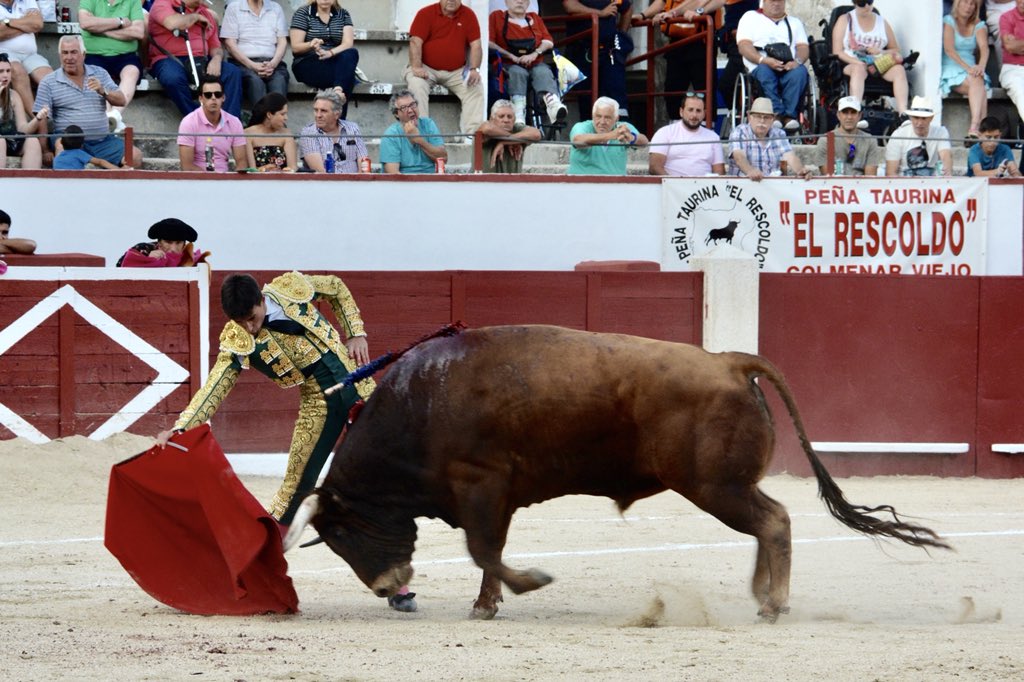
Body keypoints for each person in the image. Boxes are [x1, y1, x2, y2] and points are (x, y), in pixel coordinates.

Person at [154, 271, 419, 613]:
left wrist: (356, 333)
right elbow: (214, 388)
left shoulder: (291, 289)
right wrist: (179, 430)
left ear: (262, 301)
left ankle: (398, 583)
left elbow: (336, 288)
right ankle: (252, 575)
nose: (249, 328)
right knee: (294, 492)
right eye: (240, 322)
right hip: (319, 406)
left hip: (363, 393)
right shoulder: (237, 339)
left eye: (252, 318)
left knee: (384, 486)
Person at [33, 35, 143, 169]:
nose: (69, 58)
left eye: (74, 52)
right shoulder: (49, 81)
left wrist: (103, 91)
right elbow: (42, 118)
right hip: (68, 143)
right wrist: (45, 150)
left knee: (135, 156)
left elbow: (121, 100)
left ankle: (115, 187)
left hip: (102, 141)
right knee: (60, 146)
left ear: (83, 54)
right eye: (65, 53)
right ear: (59, 55)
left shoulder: (100, 73)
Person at [148, 0, 243, 118]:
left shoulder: (207, 14)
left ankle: (230, 125)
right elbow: (172, 23)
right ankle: (198, 119)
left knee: (232, 72)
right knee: (172, 78)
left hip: (201, 59)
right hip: (169, 59)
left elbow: (215, 47)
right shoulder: (163, 3)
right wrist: (196, 17)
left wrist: (216, 59)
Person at [405, 0, 485, 136]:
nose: (451, 1)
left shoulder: (469, 15)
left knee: (475, 86)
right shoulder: (426, 13)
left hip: (457, 71)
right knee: (416, 84)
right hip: (426, 68)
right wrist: (417, 67)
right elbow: (415, 42)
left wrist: (474, 69)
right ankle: (421, 133)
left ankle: (471, 136)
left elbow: (476, 45)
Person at [488, 0, 566, 126]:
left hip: (534, 62)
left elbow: (548, 41)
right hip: (509, 64)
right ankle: (518, 111)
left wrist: (534, 54)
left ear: (529, 3)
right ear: (506, 2)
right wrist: (511, 56)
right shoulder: (497, 17)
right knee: (517, 72)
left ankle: (553, 104)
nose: (520, 1)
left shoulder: (535, 18)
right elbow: (489, 42)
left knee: (542, 70)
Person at [736, 0, 809, 131]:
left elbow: (803, 47)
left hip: (788, 65)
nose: (776, 3)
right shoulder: (750, 17)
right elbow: (743, 45)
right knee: (765, 72)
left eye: (780, 0)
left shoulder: (794, 22)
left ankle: (789, 116)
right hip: (761, 64)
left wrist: (796, 62)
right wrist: (763, 60)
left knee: (800, 72)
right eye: (772, 0)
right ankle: (776, 114)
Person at [642, 0, 720, 117]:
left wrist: (673, 13)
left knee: (705, 90)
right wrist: (642, 15)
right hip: (676, 41)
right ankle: (675, 127)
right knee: (672, 90)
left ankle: (707, 129)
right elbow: (662, 1)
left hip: (702, 41)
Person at [78, 0, 146, 132]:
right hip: (95, 54)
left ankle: (114, 116)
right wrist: (119, 22)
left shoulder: (133, 1)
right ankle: (108, 119)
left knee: (132, 72)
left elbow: (138, 32)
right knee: (97, 78)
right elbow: (85, 23)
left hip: (126, 55)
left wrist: (101, 30)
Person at [562, 0, 634, 120]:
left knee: (616, 95)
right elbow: (570, 6)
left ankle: (621, 133)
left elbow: (627, 9)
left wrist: (620, 35)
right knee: (587, 98)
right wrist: (600, 13)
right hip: (583, 51)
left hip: (609, 52)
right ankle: (591, 134)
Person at [289, 0, 357, 120]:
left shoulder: (343, 14)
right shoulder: (303, 13)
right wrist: (311, 44)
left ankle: (337, 90)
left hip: (333, 61)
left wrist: (330, 53)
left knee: (352, 53)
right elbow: (295, 47)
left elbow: (348, 43)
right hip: (307, 63)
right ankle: (339, 123)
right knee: (348, 77)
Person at [221, 0, 290, 108]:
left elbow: (282, 41)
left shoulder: (276, 8)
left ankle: (278, 122)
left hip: (272, 62)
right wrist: (252, 65)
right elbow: (230, 44)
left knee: (279, 80)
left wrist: (273, 63)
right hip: (243, 63)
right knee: (255, 82)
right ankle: (261, 122)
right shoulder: (234, 7)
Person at [726, 96, 812, 179]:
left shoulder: (779, 133)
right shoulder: (740, 131)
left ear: (772, 120)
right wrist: (750, 171)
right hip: (743, 186)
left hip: (773, 187)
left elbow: (789, 156)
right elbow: (739, 156)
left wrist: (800, 170)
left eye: (766, 117)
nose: (762, 121)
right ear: (749, 117)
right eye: (758, 116)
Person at [176, 74, 247, 172]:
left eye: (217, 94)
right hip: (197, 181)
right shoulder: (189, 122)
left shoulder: (234, 122)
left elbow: (242, 163)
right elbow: (187, 167)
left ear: (223, 97)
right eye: (208, 95)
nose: (213, 98)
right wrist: (212, 180)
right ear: (201, 99)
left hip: (224, 180)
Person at [942, 0, 990, 143]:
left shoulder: (979, 24)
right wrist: (969, 68)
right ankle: (980, 127)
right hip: (953, 65)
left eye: (972, 4)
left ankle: (976, 129)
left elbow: (985, 49)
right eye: (965, 2)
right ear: (958, 3)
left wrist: (980, 66)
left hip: (972, 69)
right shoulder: (949, 20)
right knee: (980, 87)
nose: (969, 7)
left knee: (978, 81)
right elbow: (949, 49)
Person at [648, 91, 725, 176]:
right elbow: (654, 167)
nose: (694, 115)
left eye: (698, 111)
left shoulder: (713, 137)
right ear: (681, 112)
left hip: (704, 188)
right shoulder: (665, 133)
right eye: (690, 110)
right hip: (671, 187)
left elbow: (719, 171)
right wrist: (675, 184)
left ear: (704, 114)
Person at [568, 96, 648, 175]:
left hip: (616, 185)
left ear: (616, 119)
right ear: (593, 116)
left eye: (607, 118)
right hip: (582, 185)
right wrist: (611, 135)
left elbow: (644, 142)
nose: (602, 122)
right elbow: (578, 140)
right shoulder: (582, 126)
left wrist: (632, 138)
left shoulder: (622, 127)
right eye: (598, 116)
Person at [0, 0, 52, 117]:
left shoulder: (27, 1)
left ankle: (56, 117)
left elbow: (37, 24)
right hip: (4, 54)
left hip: (31, 55)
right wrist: (26, 25)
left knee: (48, 77)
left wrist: (7, 22)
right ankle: (37, 119)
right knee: (17, 70)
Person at [298, 87, 367, 173]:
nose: (318, 115)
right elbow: (319, 171)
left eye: (324, 111)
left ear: (337, 114)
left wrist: (359, 182)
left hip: (355, 183)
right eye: (316, 110)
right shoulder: (308, 133)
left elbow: (363, 161)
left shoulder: (352, 128)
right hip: (324, 184)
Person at [380, 88, 447, 174]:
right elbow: (392, 173)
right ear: (396, 114)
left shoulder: (428, 124)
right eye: (404, 108)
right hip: (404, 182)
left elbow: (443, 158)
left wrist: (419, 140)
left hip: (430, 180)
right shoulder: (390, 135)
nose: (411, 110)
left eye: (412, 105)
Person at [813, 96, 881, 176]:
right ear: (838, 115)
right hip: (835, 186)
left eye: (853, 112)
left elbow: (870, 177)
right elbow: (828, 178)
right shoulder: (826, 140)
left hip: (861, 186)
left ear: (859, 116)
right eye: (845, 112)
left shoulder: (870, 141)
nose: (849, 117)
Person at [885, 96, 953, 176]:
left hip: (932, 183)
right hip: (903, 183)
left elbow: (946, 157)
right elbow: (891, 172)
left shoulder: (941, 132)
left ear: (931, 118)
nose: (919, 123)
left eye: (924, 118)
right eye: (916, 118)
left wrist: (947, 172)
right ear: (910, 118)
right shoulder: (898, 135)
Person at [0, 50, 43, 169]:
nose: (5, 75)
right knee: (0, 142)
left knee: (33, 141)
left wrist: (37, 119)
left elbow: (22, 128)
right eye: (1, 71)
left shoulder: (13, 95)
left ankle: (30, 185)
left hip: (10, 140)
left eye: (8, 71)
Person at [477, 98, 541, 173]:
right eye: (501, 116)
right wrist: (512, 139)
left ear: (514, 120)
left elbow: (536, 134)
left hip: (513, 183)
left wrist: (503, 142)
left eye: (509, 117)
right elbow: (487, 129)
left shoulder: (517, 128)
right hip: (485, 183)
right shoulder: (486, 127)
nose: (506, 120)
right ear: (492, 119)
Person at [116, 217, 209, 266]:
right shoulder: (143, 250)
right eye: (168, 242)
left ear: (184, 244)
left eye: (178, 243)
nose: (173, 248)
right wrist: (147, 259)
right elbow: (121, 267)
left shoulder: (189, 259)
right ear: (159, 243)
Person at [245, 91, 296, 172]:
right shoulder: (248, 134)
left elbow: (293, 167)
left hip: (282, 181)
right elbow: (250, 169)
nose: (286, 118)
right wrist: (263, 170)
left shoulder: (287, 135)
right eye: (282, 114)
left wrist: (284, 171)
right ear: (269, 114)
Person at [999, 0, 1024, 130]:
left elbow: (1015, 45)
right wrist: (1014, 46)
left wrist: (1018, 44)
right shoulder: (1006, 17)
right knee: (1021, 92)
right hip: (1012, 68)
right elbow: (1010, 46)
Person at [52, 124, 120, 169]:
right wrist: (118, 170)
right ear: (82, 145)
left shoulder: (57, 158)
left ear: (61, 142)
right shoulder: (78, 153)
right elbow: (100, 162)